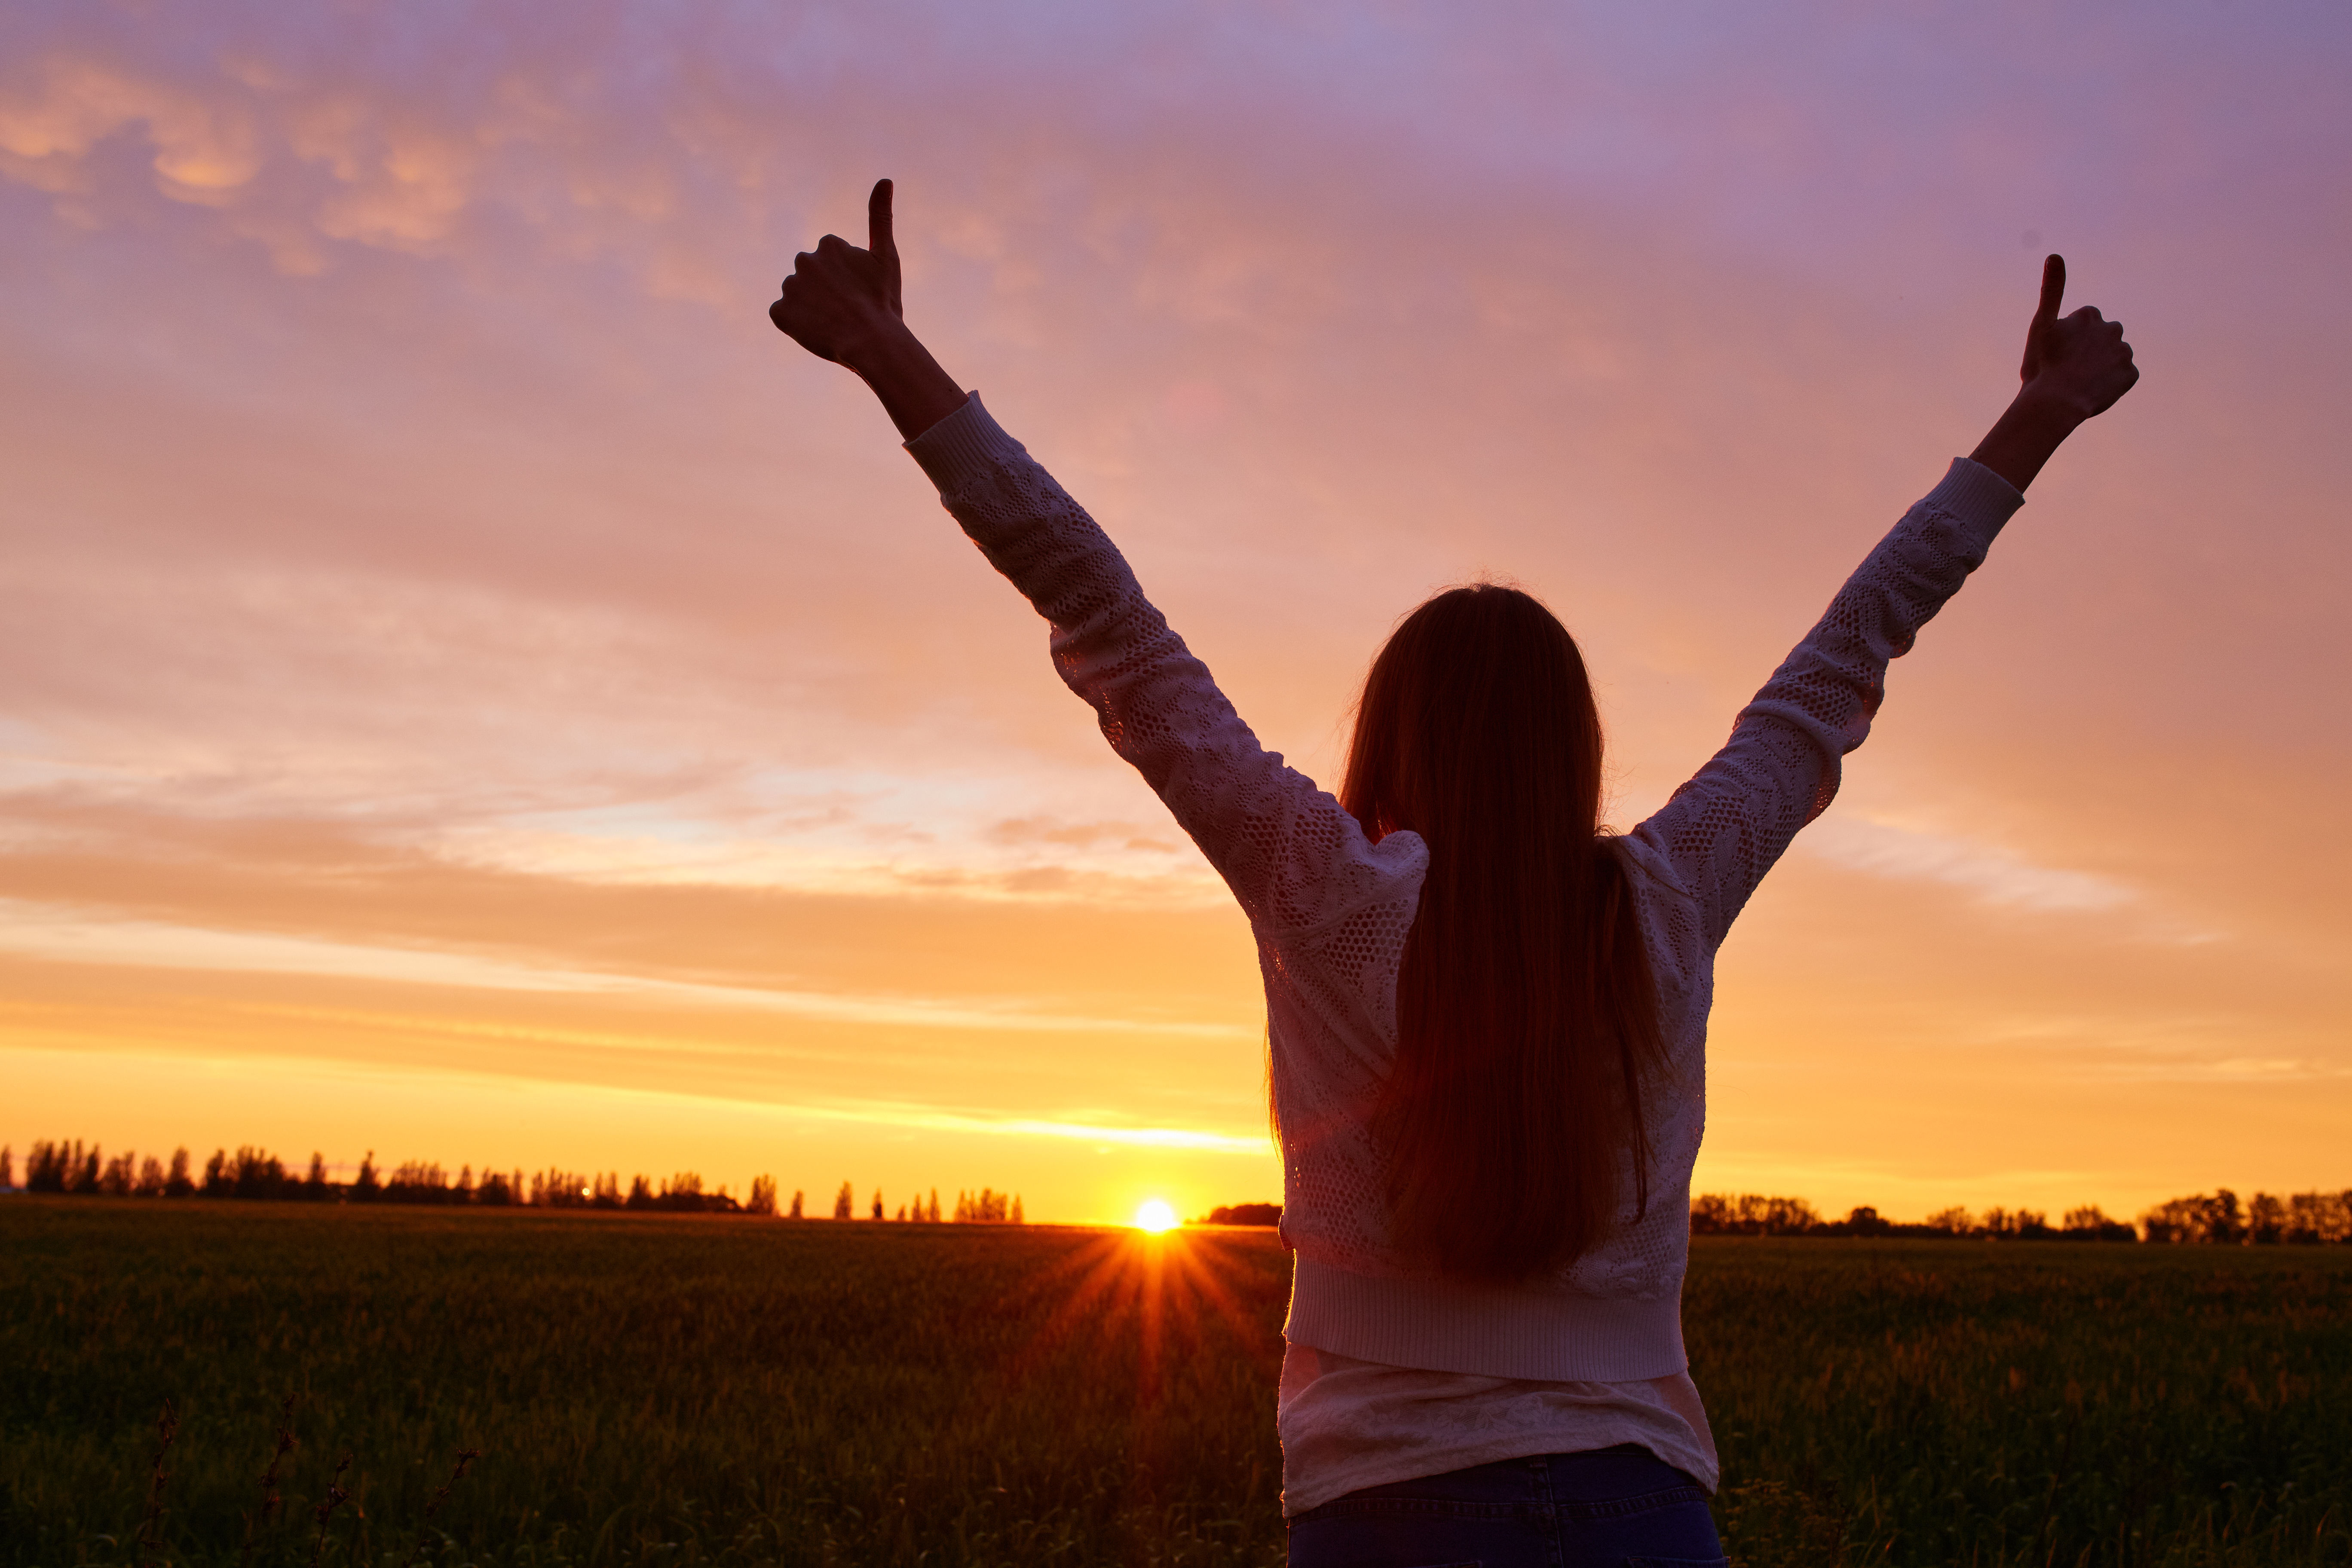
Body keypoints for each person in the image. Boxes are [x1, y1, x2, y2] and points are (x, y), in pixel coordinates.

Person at [770, 179, 2138, 1567]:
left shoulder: (1325, 890)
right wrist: (2036, 420)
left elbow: (1103, 616)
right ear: (1574, 747)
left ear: (1392, 732)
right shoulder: (1667, 898)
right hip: (1643, 1521)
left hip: (1387, 1519)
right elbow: (1846, 659)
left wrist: (892, 356)